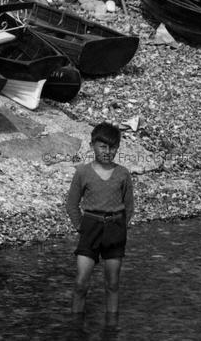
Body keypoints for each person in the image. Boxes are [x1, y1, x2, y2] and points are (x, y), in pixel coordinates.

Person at [65, 122, 134, 329]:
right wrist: (81, 227)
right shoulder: (83, 172)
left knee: (112, 283)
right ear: (92, 145)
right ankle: (76, 327)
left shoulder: (123, 174)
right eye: (102, 146)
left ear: (118, 148)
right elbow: (71, 205)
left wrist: (120, 227)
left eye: (112, 147)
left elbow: (129, 207)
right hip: (90, 229)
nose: (107, 151)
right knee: (80, 283)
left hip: (115, 229)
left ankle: (111, 328)